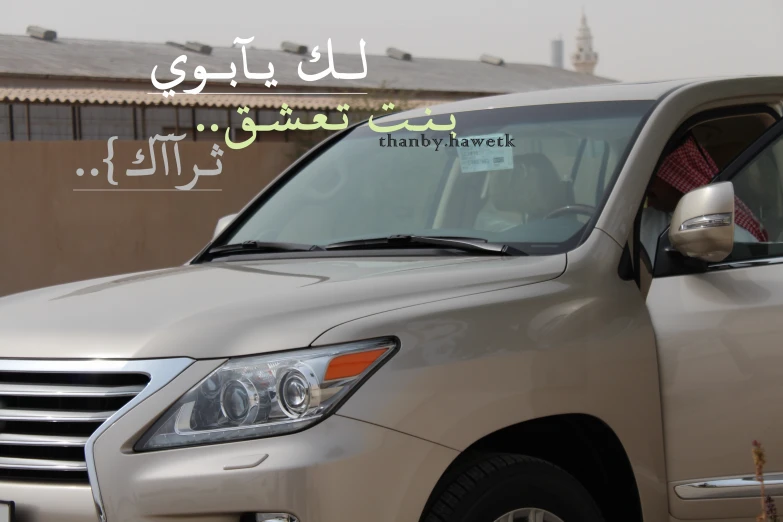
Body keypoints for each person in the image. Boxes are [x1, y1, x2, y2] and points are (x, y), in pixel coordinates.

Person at [640, 134, 767, 263]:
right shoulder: (639, 224)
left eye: (656, 176)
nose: (647, 186)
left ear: (683, 175)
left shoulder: (732, 231)